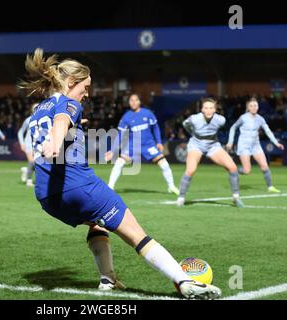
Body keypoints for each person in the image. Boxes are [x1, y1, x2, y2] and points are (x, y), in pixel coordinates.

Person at [19, 48, 221, 299]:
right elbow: (61, 120)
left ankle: (107, 279)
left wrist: (67, 134)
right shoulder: (67, 103)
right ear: (71, 82)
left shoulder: (39, 108)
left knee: (96, 221)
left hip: (48, 196)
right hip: (79, 186)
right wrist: (57, 141)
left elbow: (57, 121)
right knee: (137, 235)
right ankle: (184, 281)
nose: (87, 92)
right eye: (86, 86)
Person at [104, 94, 180, 195]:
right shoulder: (126, 117)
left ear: (139, 102)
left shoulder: (148, 113)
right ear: (129, 103)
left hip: (148, 145)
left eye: (136, 100)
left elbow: (155, 128)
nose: (134, 102)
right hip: (133, 145)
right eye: (131, 100)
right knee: (119, 162)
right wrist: (112, 150)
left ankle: (171, 186)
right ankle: (110, 187)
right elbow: (121, 134)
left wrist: (159, 142)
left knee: (164, 163)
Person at [177, 98, 244, 208]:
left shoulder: (221, 120)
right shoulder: (194, 119)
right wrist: (193, 134)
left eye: (211, 108)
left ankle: (236, 198)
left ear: (215, 110)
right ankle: (181, 198)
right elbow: (185, 124)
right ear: (202, 109)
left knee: (232, 167)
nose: (208, 110)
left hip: (213, 145)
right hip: (196, 144)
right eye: (206, 108)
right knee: (191, 170)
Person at [226, 98, 284, 192]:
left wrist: (276, 143)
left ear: (258, 107)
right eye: (251, 106)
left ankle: (270, 187)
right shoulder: (243, 117)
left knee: (265, 166)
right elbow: (233, 128)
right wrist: (230, 142)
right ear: (248, 107)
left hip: (256, 145)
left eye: (255, 105)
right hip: (244, 145)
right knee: (247, 171)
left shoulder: (260, 119)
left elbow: (268, 131)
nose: (254, 107)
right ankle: (234, 171)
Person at [18, 104, 38, 187]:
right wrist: (22, 143)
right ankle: (29, 181)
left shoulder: (44, 119)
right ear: (32, 110)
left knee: (37, 164)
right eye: (35, 108)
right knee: (31, 161)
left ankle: (26, 171)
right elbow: (20, 132)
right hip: (29, 143)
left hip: (39, 144)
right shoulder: (28, 120)